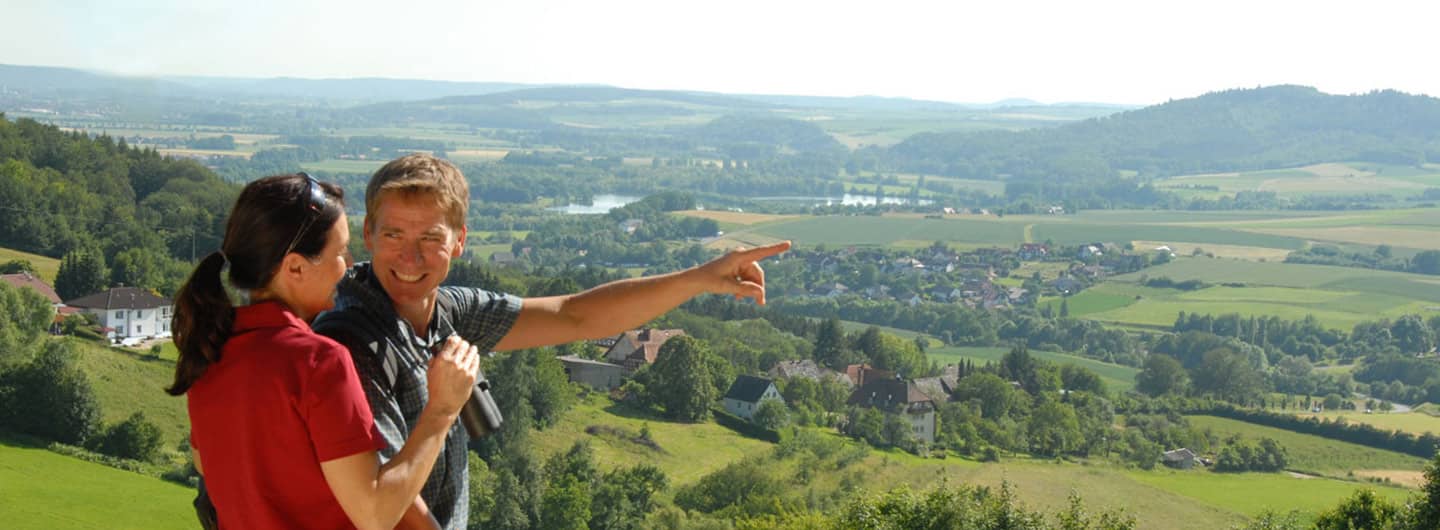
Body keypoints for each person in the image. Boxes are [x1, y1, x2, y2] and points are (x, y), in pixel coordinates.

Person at [309, 153, 791, 529]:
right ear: (367, 234)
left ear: (459, 241)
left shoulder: (449, 310)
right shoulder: (352, 342)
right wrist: (443, 408)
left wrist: (698, 278)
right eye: (393, 234)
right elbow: (389, 505)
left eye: (430, 238)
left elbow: (575, 315)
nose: (410, 258)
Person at [168, 173, 479, 530]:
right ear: (295, 267)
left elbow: (209, 464)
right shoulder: (318, 361)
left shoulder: (211, 350)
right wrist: (442, 409)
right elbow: (375, 514)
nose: (348, 265)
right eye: (340, 251)